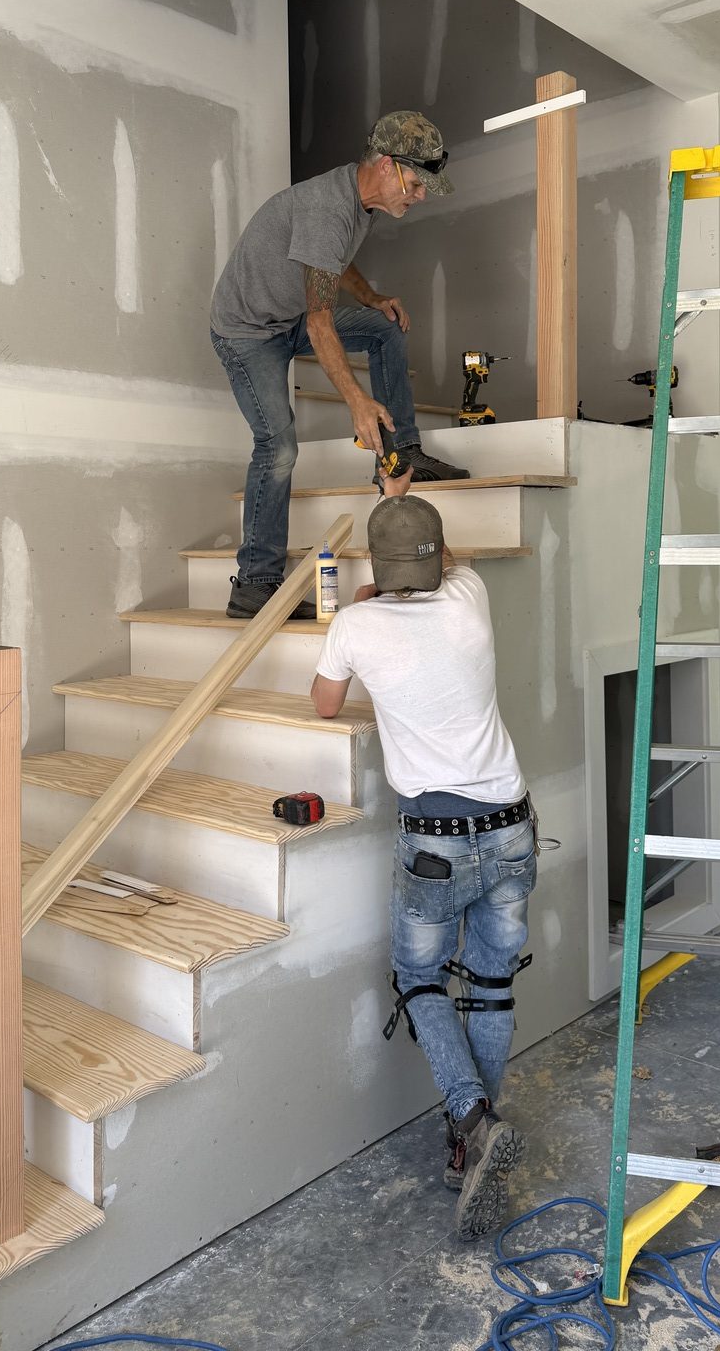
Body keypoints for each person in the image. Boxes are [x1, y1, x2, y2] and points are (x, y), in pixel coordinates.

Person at [310, 468, 549, 1241]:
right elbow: (453, 559)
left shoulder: (355, 624)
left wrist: (364, 607)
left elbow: (323, 703)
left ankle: (474, 1118)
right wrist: (405, 500)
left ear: (377, 573)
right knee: (489, 983)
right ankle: (466, 1149)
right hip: (511, 824)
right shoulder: (470, 598)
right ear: (440, 557)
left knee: (419, 977)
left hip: (435, 843)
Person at [210, 110, 468, 621]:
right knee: (278, 445)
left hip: (286, 317)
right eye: (415, 185)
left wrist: (371, 297)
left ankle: (403, 451)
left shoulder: (358, 204)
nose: (417, 198)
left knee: (385, 326)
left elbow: (331, 260)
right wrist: (357, 400)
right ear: (387, 166)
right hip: (247, 333)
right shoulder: (327, 209)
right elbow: (321, 324)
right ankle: (255, 583)